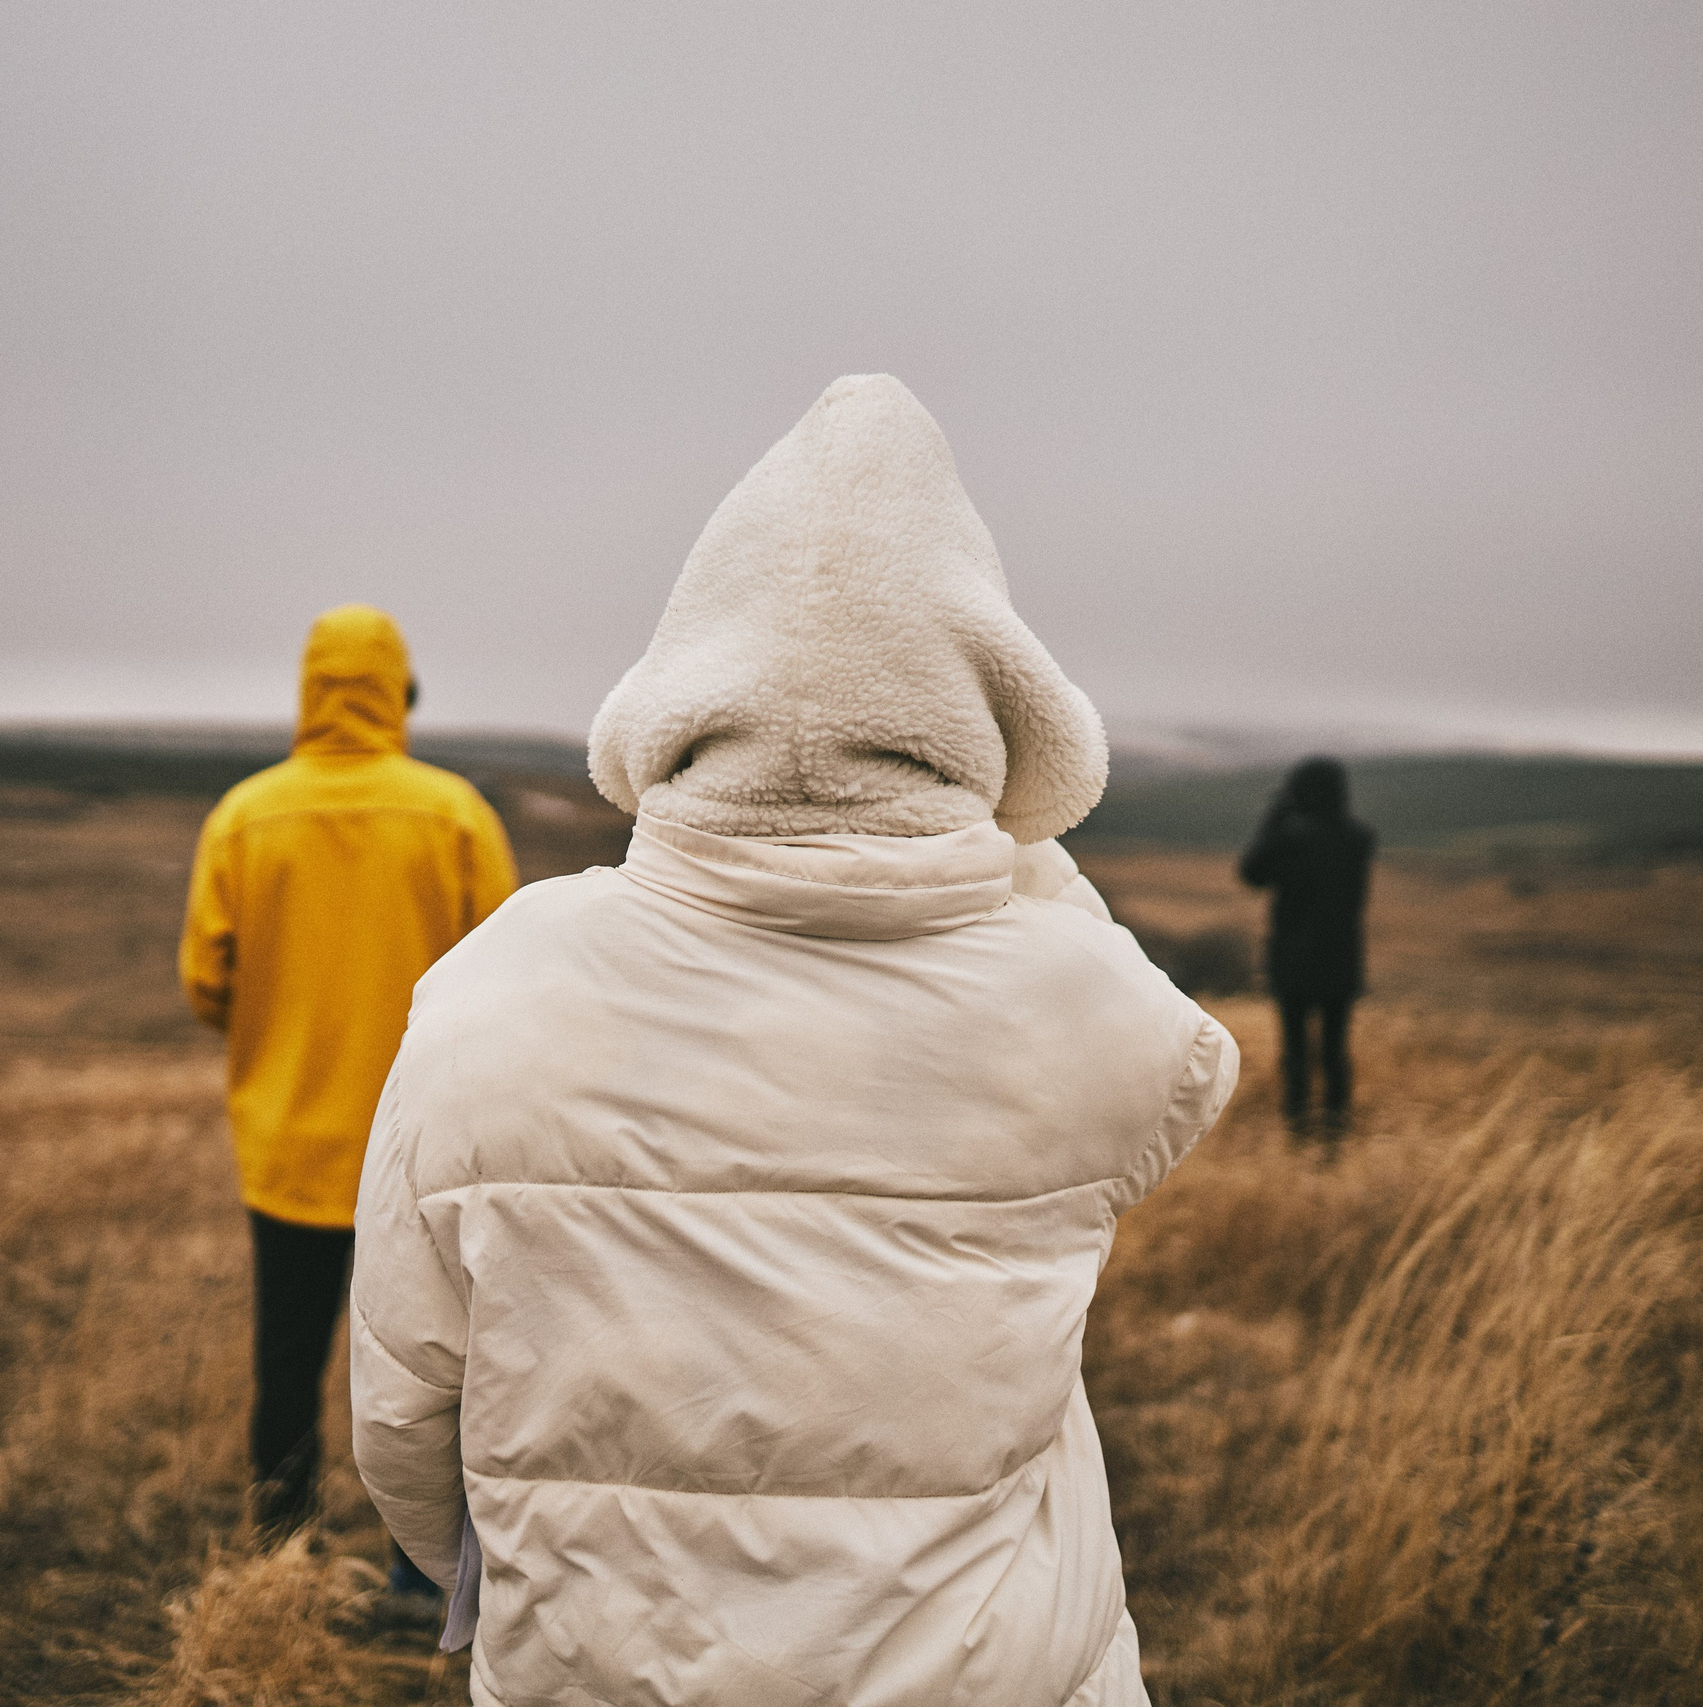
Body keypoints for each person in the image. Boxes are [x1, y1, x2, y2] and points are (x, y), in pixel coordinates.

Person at [349, 376, 1238, 1705]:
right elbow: (1175, 1051)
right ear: (994, 700)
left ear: (676, 697)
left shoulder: (498, 985)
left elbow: (407, 1419)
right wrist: (1005, 839)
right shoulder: (1077, 998)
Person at [179, 604, 519, 1552]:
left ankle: (285, 1550)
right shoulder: (454, 813)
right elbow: (502, 980)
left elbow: (207, 984)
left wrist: (278, 1024)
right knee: (439, 1371)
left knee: (286, 1362)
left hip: (290, 1150)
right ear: (397, 694)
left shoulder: (245, 816)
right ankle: (433, 1579)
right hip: (428, 1149)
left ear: (309, 693)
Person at [1237, 756, 1375, 1129]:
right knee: (1334, 1048)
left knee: (1295, 1047)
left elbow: (1251, 873)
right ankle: (1336, 1124)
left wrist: (1274, 817)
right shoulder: (1359, 836)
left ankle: (1297, 1122)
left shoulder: (1290, 836)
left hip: (1293, 954)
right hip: (1340, 955)